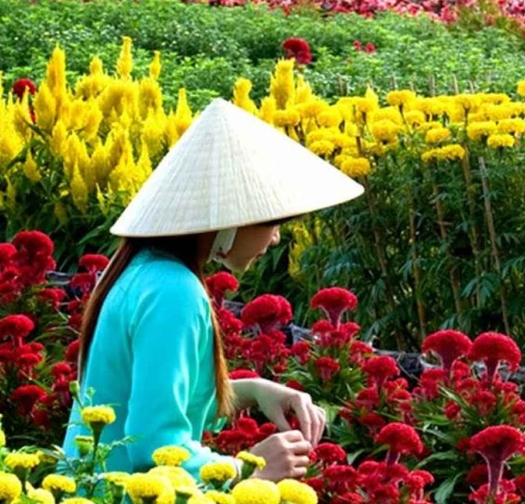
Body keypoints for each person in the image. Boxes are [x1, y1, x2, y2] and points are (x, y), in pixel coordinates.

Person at [61, 98, 364, 481]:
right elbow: (154, 449)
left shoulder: (139, 270)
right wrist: (250, 466)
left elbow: (150, 403)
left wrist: (252, 391)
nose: (275, 240)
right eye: (273, 222)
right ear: (231, 220)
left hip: (87, 502)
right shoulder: (176, 292)